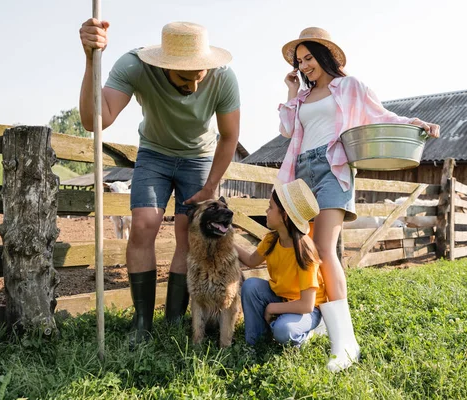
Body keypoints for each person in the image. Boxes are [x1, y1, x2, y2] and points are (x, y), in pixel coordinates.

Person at [278, 27, 440, 371]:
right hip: (301, 171)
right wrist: (292, 90)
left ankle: (346, 341)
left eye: (310, 58)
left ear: (325, 56)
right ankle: (321, 323)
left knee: (324, 248)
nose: (305, 66)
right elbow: (288, 131)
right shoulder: (303, 97)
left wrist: (415, 123)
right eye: (300, 60)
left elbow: (380, 115)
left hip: (332, 166)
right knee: (305, 249)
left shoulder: (350, 87)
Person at [78, 19, 241, 344]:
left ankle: (173, 319)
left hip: (199, 158)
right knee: (142, 225)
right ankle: (142, 322)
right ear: (164, 65)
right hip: (154, 153)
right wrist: (90, 59)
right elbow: (94, 120)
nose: (193, 87)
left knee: (188, 234)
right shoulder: (135, 66)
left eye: (199, 76)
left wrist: (210, 187)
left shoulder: (223, 77)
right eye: (184, 77)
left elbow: (229, 137)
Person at [235, 178, 325, 347]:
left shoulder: (304, 252)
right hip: (281, 297)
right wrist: (228, 241)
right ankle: (255, 342)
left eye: (270, 207)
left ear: (284, 215)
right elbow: (251, 260)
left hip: (308, 309)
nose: (266, 210)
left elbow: (306, 305)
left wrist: (272, 308)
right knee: (251, 285)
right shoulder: (271, 239)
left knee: (285, 330)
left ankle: (307, 334)